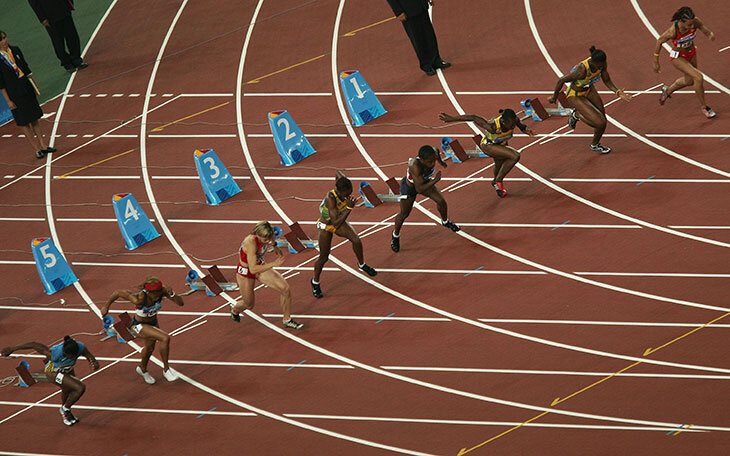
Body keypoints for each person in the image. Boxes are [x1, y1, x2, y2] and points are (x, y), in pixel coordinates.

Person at [548, 46, 631, 154]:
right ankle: (576, 115)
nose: (601, 67)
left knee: (603, 121)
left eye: (603, 65)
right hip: (575, 95)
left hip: (589, 89)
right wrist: (554, 97)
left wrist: (618, 92)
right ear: (594, 62)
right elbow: (561, 80)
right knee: (599, 123)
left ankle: (595, 145)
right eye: (599, 66)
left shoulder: (602, 64)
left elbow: (607, 80)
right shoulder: (581, 70)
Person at [2, 336, 99, 426]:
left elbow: (89, 355)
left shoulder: (80, 347)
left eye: (73, 356)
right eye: (68, 356)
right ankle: (65, 409)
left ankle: (64, 411)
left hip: (67, 370)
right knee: (80, 387)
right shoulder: (55, 353)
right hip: (53, 372)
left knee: (67, 390)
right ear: (64, 353)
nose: (72, 358)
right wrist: (12, 348)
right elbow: (34, 344)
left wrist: (93, 362)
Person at [101, 277, 183, 384]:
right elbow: (118, 292)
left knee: (149, 348)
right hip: (138, 325)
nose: (157, 296)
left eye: (158, 292)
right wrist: (106, 307)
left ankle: (142, 369)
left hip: (153, 323)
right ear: (148, 291)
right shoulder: (139, 299)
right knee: (165, 338)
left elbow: (181, 303)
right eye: (154, 293)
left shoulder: (162, 291)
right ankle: (166, 370)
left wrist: (172, 294)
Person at [439, 109, 536, 197]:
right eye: (510, 125)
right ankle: (498, 180)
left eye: (514, 124)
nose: (513, 126)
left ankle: (496, 183)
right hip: (488, 146)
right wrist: (452, 118)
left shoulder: (514, 120)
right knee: (515, 156)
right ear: (503, 121)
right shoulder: (492, 126)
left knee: (499, 165)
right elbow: (473, 117)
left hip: (501, 144)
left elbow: (522, 127)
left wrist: (527, 130)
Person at [311, 173, 377, 298]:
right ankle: (315, 282)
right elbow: (335, 223)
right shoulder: (331, 198)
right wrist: (348, 208)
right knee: (324, 257)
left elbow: (337, 172)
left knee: (356, 240)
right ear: (339, 191)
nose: (348, 196)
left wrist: (340, 177)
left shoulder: (342, 186)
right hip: (327, 226)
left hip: (338, 221)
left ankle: (362, 264)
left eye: (350, 192)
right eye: (346, 194)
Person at [230, 221, 303, 329]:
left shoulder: (266, 231)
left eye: (269, 238)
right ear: (258, 235)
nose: (267, 241)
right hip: (246, 272)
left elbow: (270, 236)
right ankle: (235, 309)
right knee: (249, 305)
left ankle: (287, 319)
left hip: (259, 265)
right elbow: (253, 269)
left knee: (285, 288)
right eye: (265, 240)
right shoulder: (250, 243)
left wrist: (274, 245)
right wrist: (274, 264)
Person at [391, 145, 460, 252]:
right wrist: (435, 180)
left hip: (425, 182)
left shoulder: (433, 153)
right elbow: (419, 189)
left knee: (441, 201)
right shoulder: (415, 166)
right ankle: (395, 235)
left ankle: (445, 221)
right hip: (411, 187)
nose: (432, 164)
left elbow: (436, 150)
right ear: (422, 160)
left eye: (434, 161)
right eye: (429, 162)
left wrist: (441, 162)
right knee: (404, 214)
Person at [0, 31, 56, 159]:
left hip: (26, 86)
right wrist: (8, 101)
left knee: (34, 117)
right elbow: (1, 84)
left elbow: (26, 68)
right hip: (14, 93)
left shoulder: (15, 50)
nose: (5, 41)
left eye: (5, 37)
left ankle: (43, 146)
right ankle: (36, 149)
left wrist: (34, 85)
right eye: (1, 39)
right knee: (24, 122)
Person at [653, 6, 716, 119]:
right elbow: (659, 41)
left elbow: (702, 27)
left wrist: (709, 34)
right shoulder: (673, 31)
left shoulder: (695, 21)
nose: (692, 26)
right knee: (698, 77)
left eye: (692, 24)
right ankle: (704, 107)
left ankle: (667, 91)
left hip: (691, 53)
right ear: (681, 22)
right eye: (689, 25)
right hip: (678, 57)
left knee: (689, 81)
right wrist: (656, 61)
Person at [386, 0, 450, 76]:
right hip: (407, 11)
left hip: (421, 5)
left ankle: (436, 60)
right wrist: (398, 11)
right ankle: (426, 65)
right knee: (417, 39)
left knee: (429, 34)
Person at [28, 0, 88, 73]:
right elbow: (34, 3)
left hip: (63, 9)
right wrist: (42, 18)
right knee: (58, 41)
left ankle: (76, 59)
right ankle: (66, 63)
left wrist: (70, 3)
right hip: (49, 16)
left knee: (72, 36)